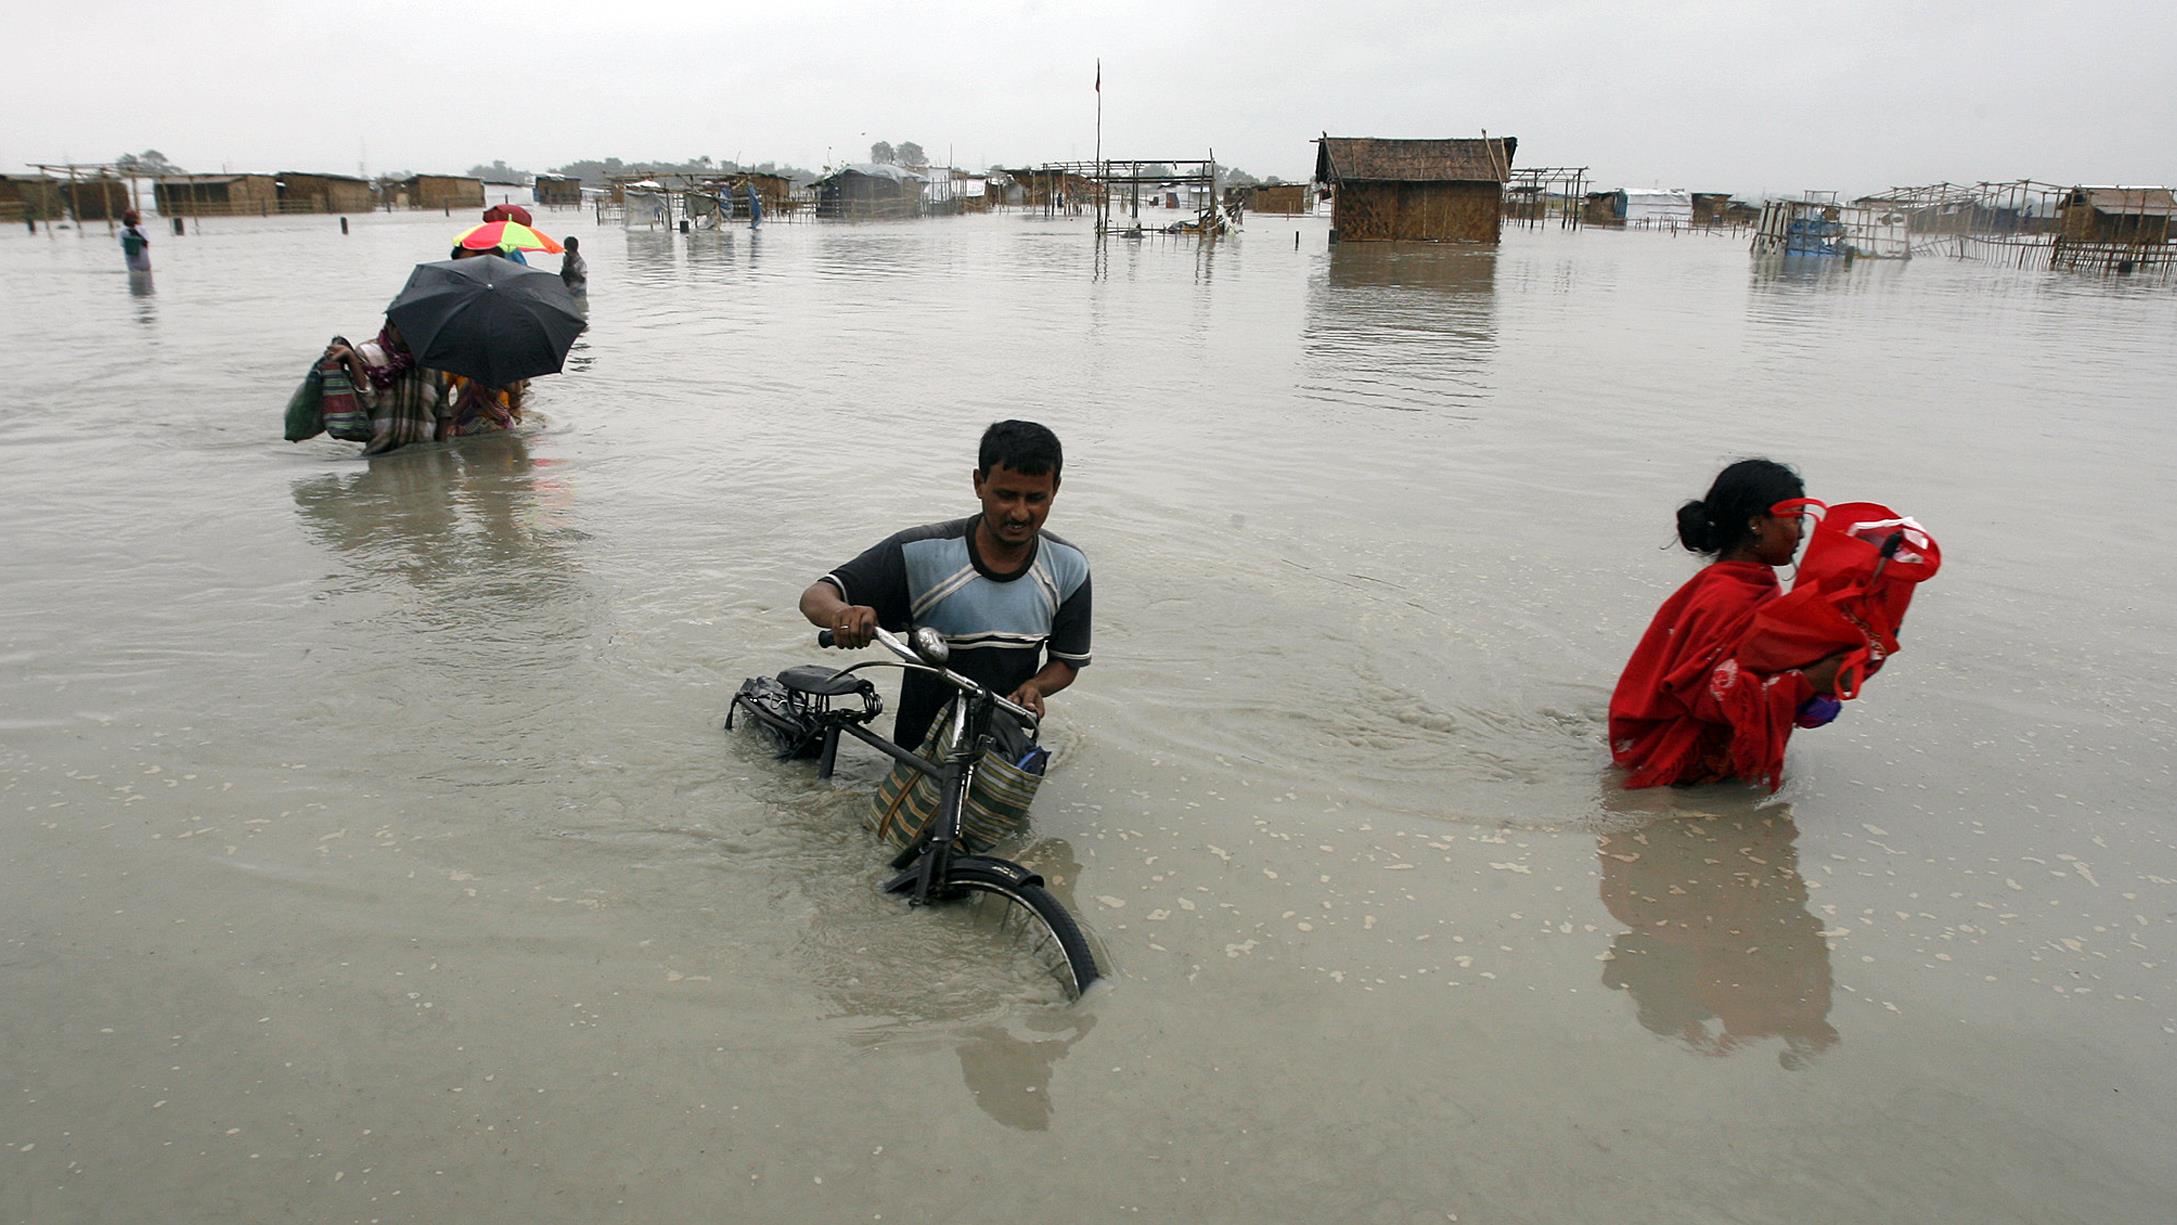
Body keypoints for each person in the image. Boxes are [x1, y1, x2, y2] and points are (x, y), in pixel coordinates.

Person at [801, 420, 1091, 749]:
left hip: (1001, 741)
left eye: (1035, 498)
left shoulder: (1069, 568)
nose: (1020, 513)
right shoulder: (921, 553)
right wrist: (845, 613)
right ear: (979, 483)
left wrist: (1037, 686)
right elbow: (816, 596)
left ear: (1056, 489)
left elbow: (1066, 662)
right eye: (1006, 495)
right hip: (918, 749)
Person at [1608, 459, 1843, 791]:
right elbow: (1710, 696)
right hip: (1674, 762)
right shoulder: (1729, 597)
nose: (1803, 532)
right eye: (1796, 520)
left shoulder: (1744, 583)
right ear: (1757, 523)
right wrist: (1807, 682)